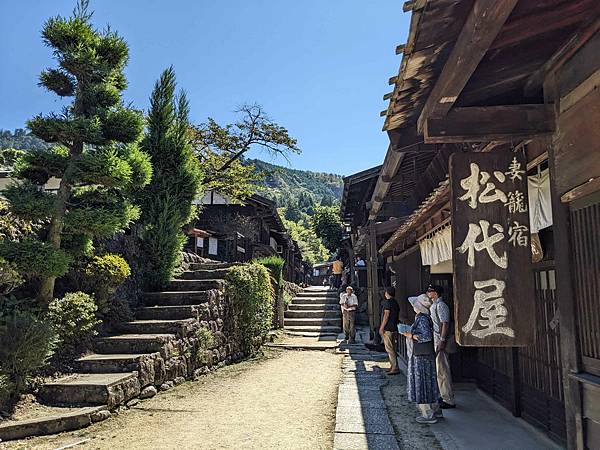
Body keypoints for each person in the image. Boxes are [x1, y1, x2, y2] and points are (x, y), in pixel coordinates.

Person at [401, 294, 440, 424]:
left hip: (421, 356)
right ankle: (434, 409)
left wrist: (410, 335)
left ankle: (428, 414)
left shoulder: (422, 319)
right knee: (429, 382)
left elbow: (426, 336)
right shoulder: (424, 318)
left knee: (422, 383)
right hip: (425, 355)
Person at [427, 284, 456, 409]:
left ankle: (448, 399)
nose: (428, 293)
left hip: (440, 339)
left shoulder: (441, 306)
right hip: (436, 338)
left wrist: (442, 339)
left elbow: (445, 323)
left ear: (436, 293)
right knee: (440, 369)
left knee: (443, 369)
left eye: (430, 291)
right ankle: (443, 394)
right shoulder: (434, 305)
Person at [379, 287, 400, 375]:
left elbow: (386, 316)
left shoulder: (387, 303)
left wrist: (382, 327)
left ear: (387, 293)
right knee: (393, 348)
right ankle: (393, 366)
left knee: (389, 348)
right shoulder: (395, 302)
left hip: (388, 328)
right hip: (395, 327)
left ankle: (394, 367)